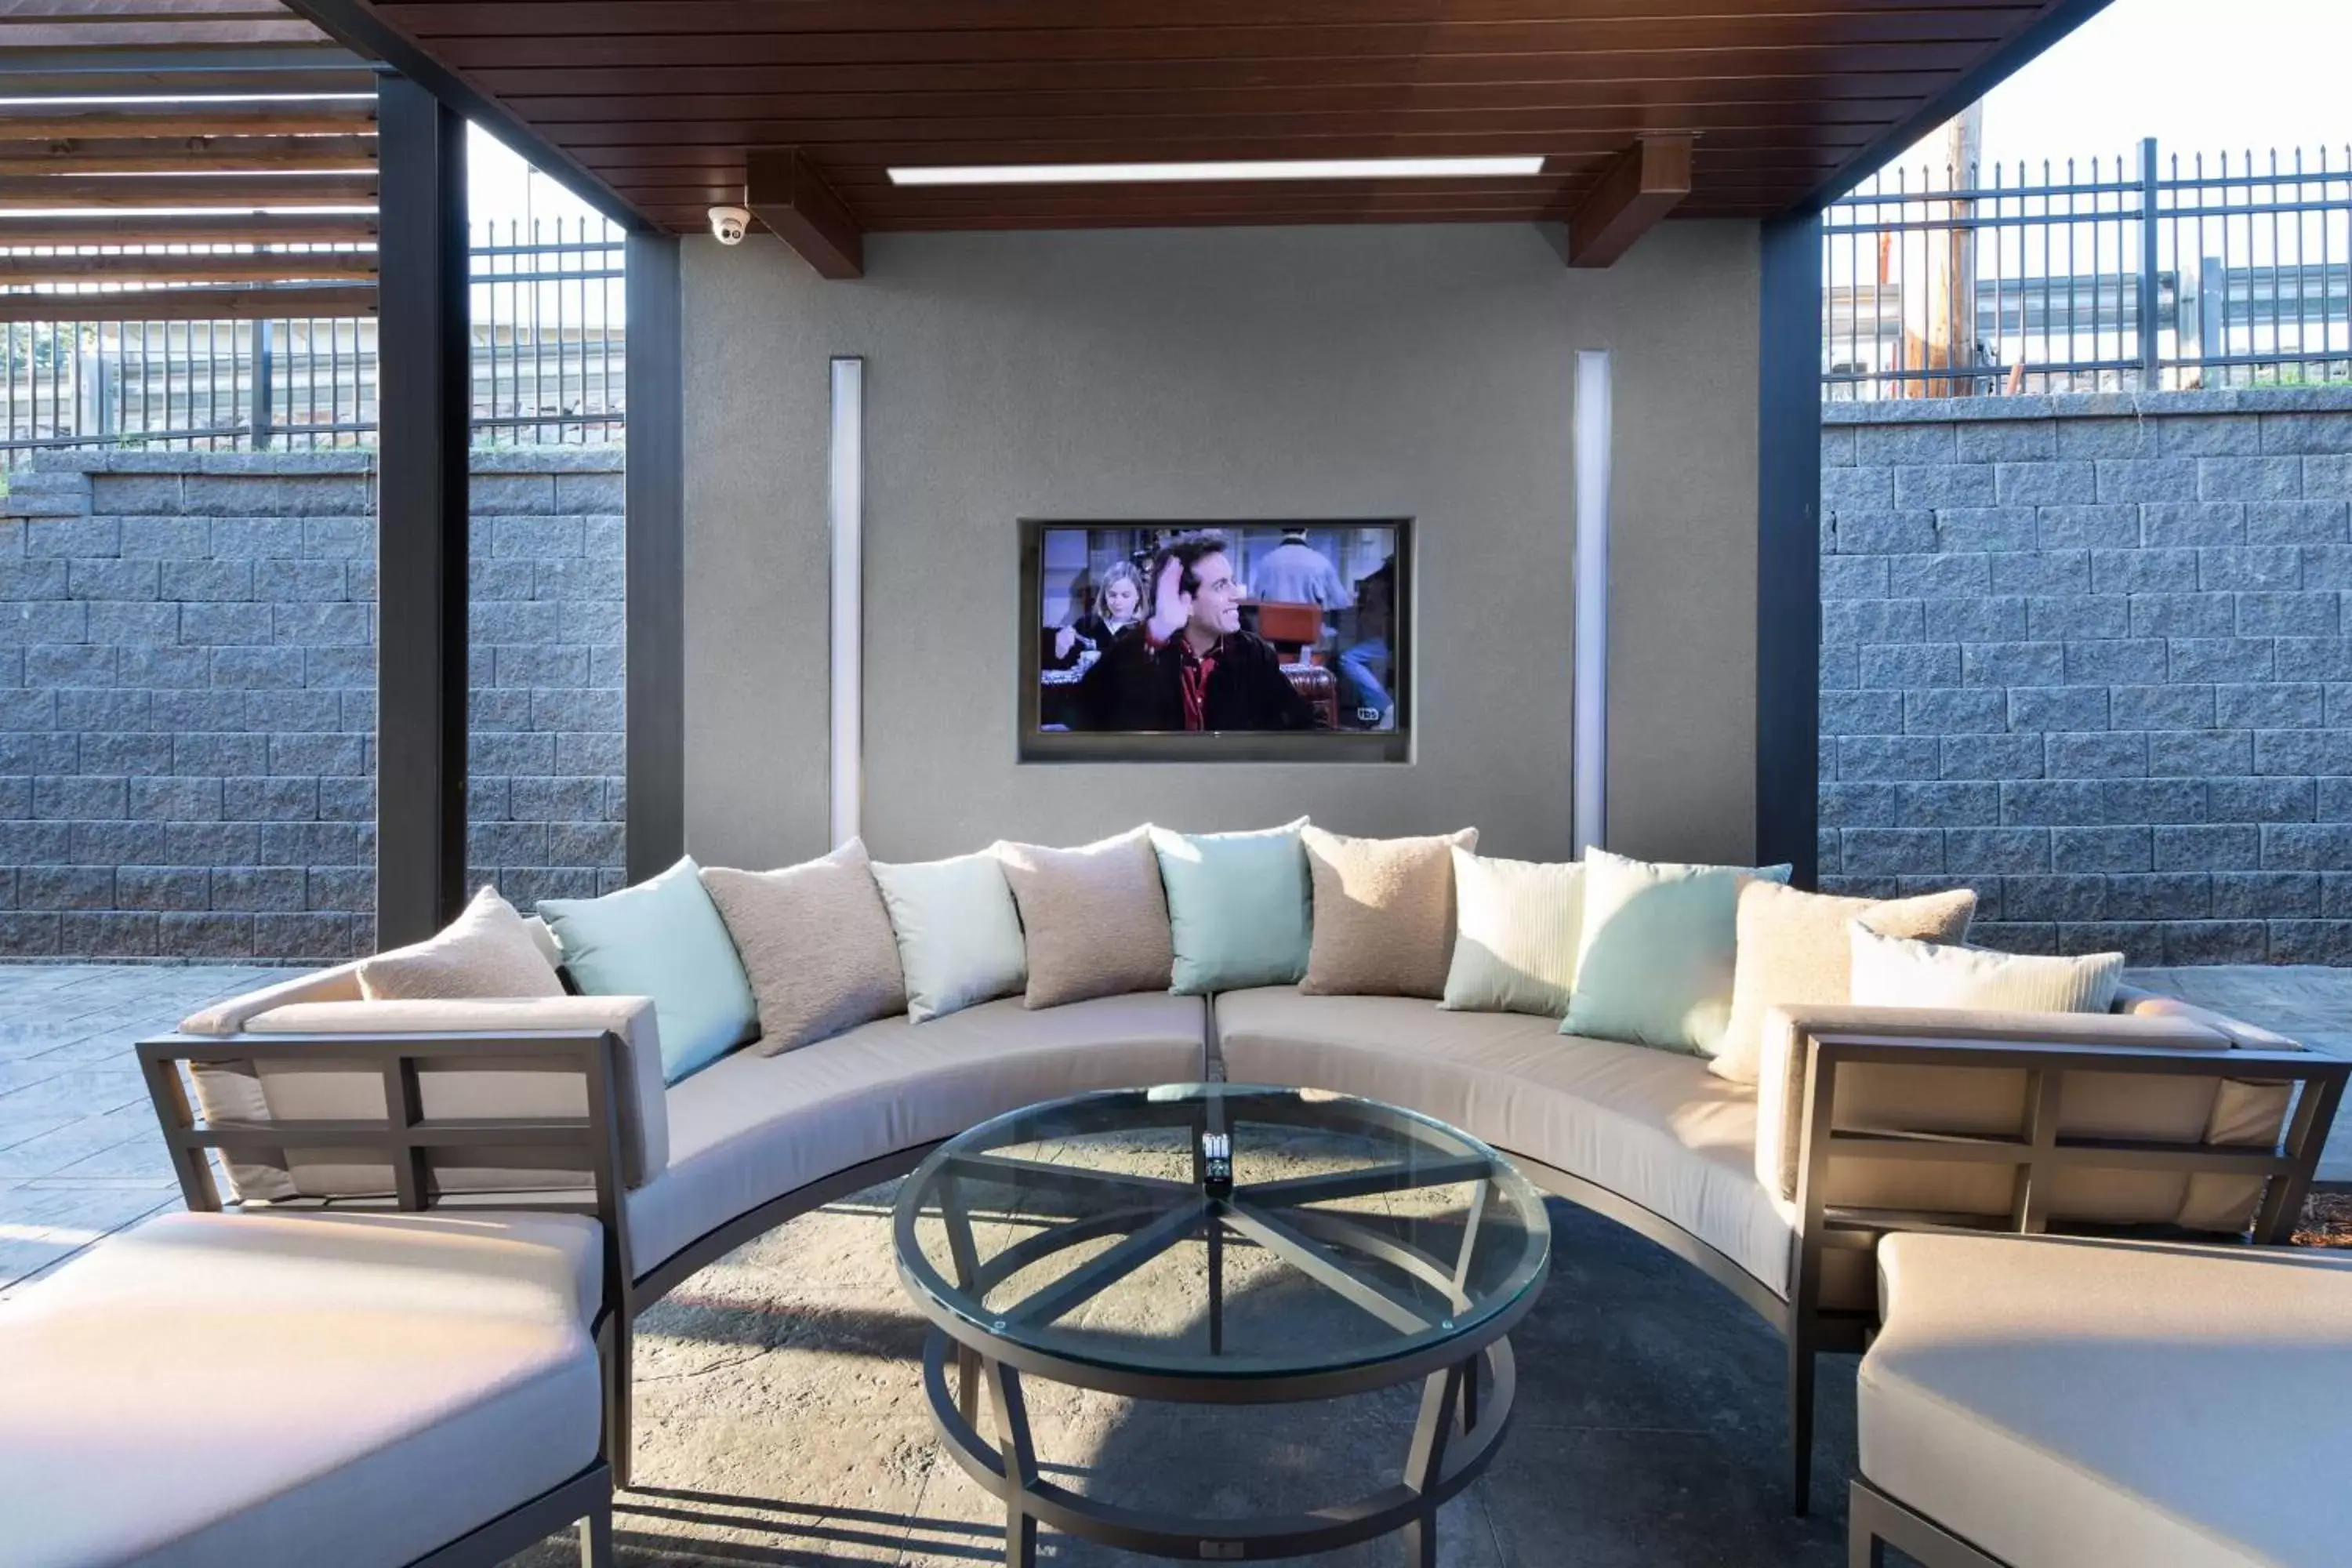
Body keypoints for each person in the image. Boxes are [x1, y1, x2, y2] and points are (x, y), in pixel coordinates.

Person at [1076, 532, 1327, 732]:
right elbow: (1081, 712)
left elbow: (1302, 726)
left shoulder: (1253, 654)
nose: (1238, 593)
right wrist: (1157, 631)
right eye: (1221, 586)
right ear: (1185, 603)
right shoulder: (1145, 654)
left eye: (1232, 580)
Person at [1048, 559, 1143, 666]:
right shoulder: (1087, 624)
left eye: (1125, 595)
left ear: (1138, 596)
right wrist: (1058, 647)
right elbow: (1062, 661)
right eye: (1112, 595)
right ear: (1104, 595)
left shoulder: (1146, 629)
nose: (1118, 602)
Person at [1247, 526, 1351, 612]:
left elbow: (1257, 599)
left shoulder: (1266, 562)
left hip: (1272, 634)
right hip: (1310, 634)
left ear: (1281, 529)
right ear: (1307, 529)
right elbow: (1341, 602)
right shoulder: (1321, 562)